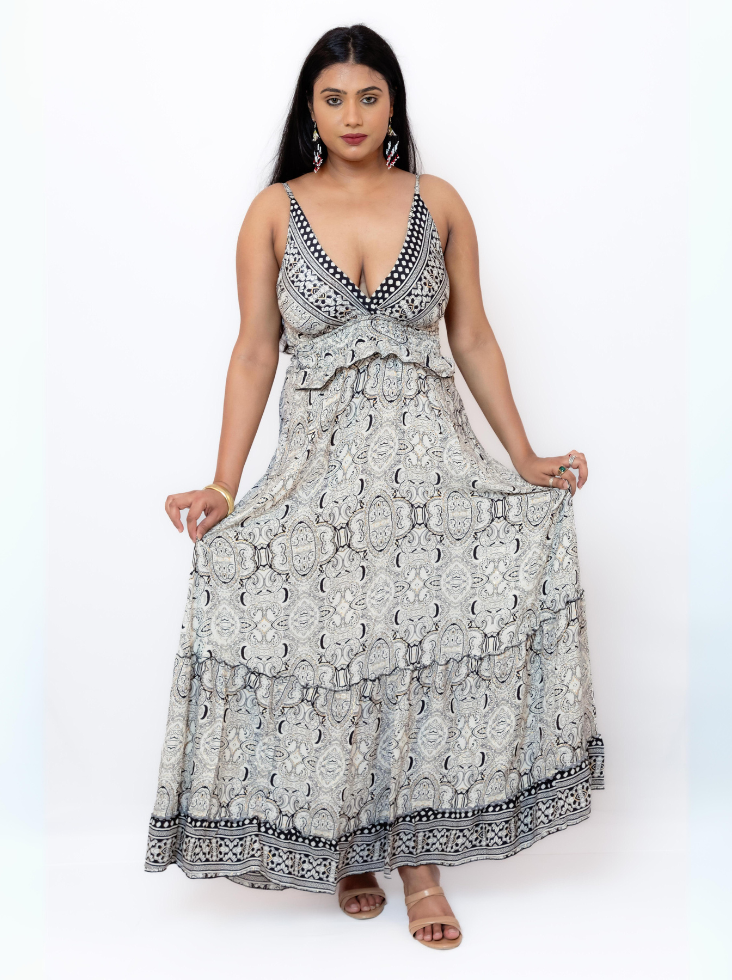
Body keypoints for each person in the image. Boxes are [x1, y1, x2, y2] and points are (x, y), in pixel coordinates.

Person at [144, 24, 604, 950]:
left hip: (433, 478)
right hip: (318, 478)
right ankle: (349, 846)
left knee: (422, 652)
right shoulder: (274, 212)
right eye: (333, 98)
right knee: (335, 653)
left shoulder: (439, 202)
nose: (351, 114)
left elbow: (472, 336)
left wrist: (522, 457)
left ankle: (420, 866)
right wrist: (226, 485)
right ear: (309, 110)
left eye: (368, 96)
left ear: (393, 105)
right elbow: (254, 352)